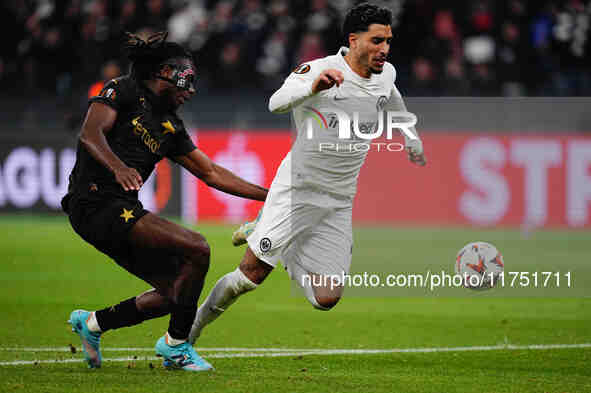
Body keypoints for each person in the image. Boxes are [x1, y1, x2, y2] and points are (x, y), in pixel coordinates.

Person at [186, 3, 427, 346]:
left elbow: (395, 101)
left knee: (327, 297)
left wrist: (411, 138)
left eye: (388, 40)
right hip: (298, 190)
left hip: (339, 201)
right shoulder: (319, 69)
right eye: (377, 41)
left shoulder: (386, 75)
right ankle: (187, 333)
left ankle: (283, 244)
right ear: (354, 40)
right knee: (249, 277)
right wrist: (312, 87)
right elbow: (276, 102)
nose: (384, 49)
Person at [61, 32, 267, 372]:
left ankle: (94, 324)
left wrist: (269, 194)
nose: (191, 90)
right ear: (165, 72)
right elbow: (90, 133)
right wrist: (118, 167)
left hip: (119, 210)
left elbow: (212, 172)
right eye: (187, 79)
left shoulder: (171, 126)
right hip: (93, 201)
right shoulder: (123, 90)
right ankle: (176, 347)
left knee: (176, 291)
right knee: (198, 248)